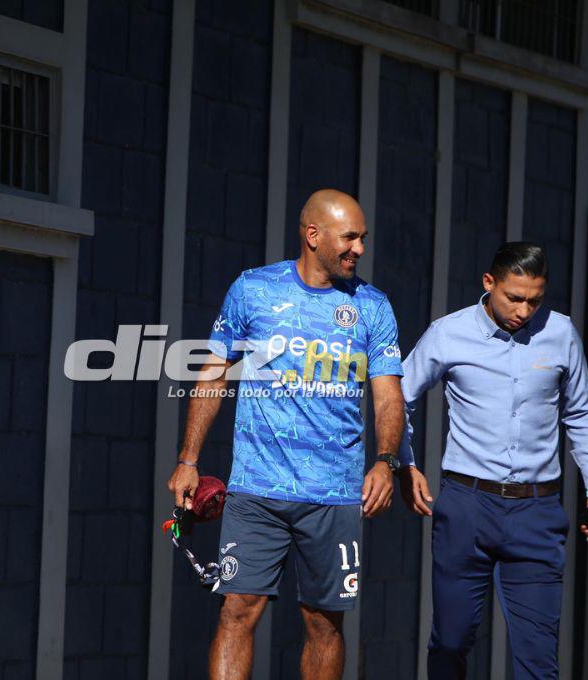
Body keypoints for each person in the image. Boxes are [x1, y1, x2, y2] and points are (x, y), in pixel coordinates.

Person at [166, 189, 406, 680]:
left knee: (323, 624)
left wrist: (386, 460)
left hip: (334, 493)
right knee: (237, 610)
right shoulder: (253, 290)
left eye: (364, 238)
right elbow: (213, 372)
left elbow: (387, 394)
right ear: (312, 235)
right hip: (256, 488)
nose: (359, 249)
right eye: (350, 237)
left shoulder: (373, 307)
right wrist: (188, 459)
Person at [395, 242, 588, 679]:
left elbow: (582, 412)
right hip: (466, 506)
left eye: (535, 300)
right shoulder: (448, 332)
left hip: (536, 512)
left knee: (539, 657)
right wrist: (404, 463)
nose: (524, 310)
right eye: (514, 298)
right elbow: (398, 397)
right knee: (452, 641)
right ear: (489, 283)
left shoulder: (561, 333)